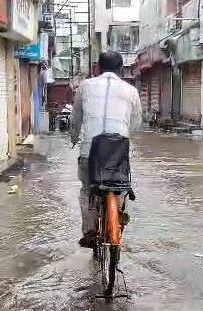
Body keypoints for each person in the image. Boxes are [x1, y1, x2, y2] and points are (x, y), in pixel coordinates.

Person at [69, 51, 142, 248]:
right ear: (121, 69)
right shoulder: (131, 91)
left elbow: (75, 119)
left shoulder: (85, 87)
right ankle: (117, 215)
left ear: (98, 68)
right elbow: (135, 124)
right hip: (117, 151)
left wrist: (74, 138)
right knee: (118, 187)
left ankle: (90, 230)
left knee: (86, 189)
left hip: (89, 152)